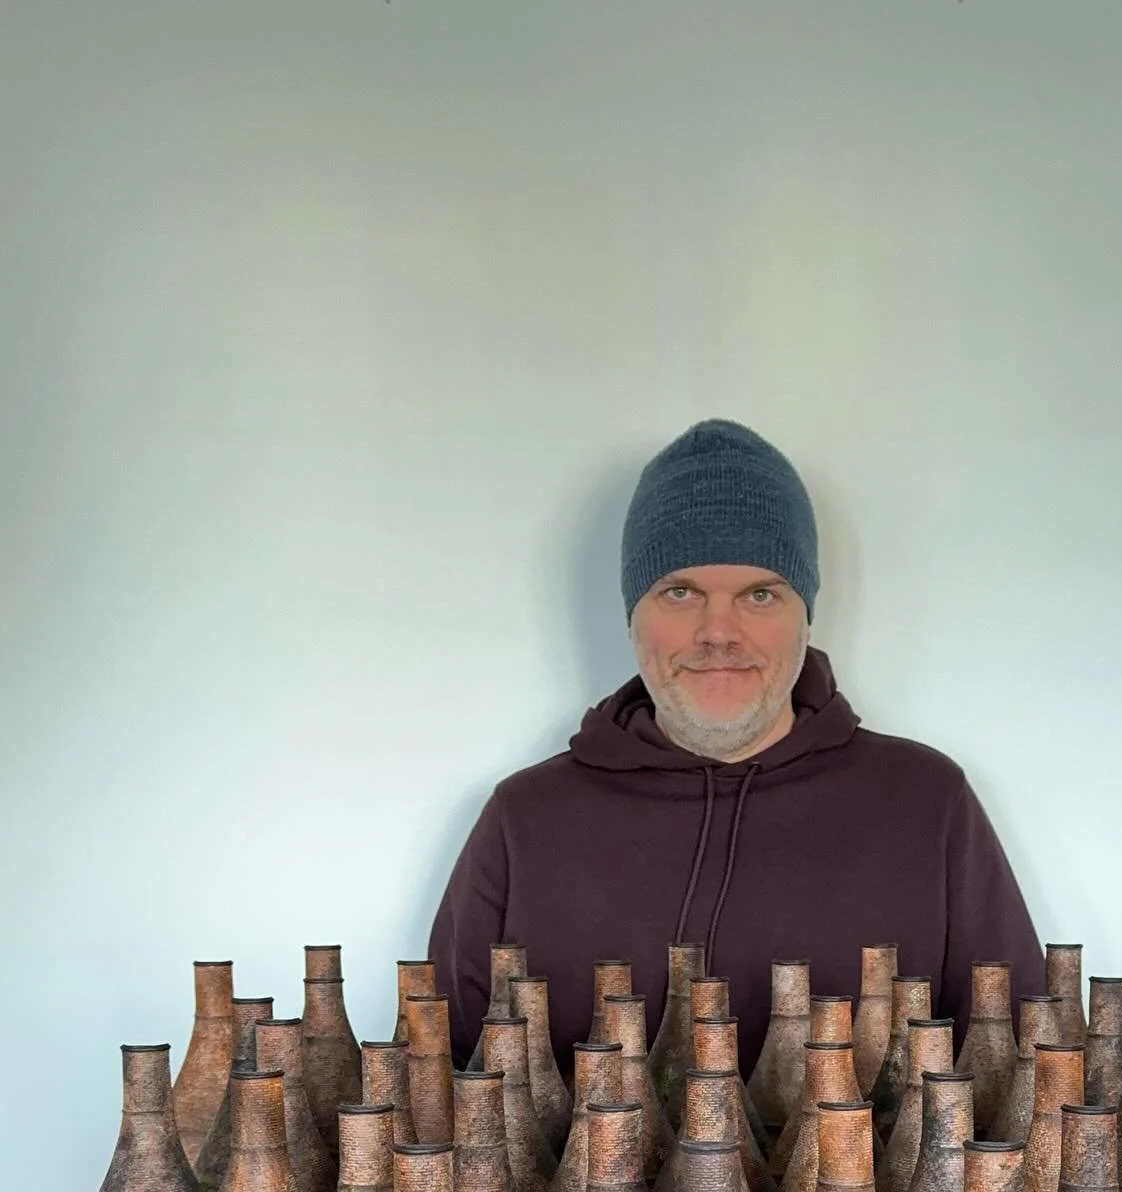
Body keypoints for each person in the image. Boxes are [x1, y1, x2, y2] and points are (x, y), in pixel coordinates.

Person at [429, 419, 1045, 1075]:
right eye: (679, 592)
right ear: (633, 613)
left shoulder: (927, 804)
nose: (718, 632)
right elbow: (435, 1094)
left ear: (804, 612)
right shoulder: (525, 820)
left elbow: (1029, 1080)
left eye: (759, 594)